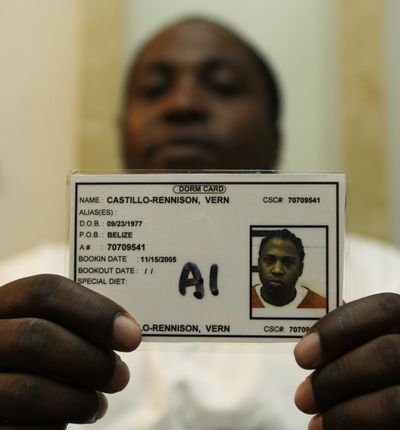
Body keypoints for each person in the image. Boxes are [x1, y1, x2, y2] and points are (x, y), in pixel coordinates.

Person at [1, 17, 400, 430]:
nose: (182, 105)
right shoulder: (18, 295)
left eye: (224, 85)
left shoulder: (388, 280)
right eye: (155, 90)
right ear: (122, 134)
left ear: (276, 137)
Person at [252, 229, 326, 309]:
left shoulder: (323, 307)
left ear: (300, 269)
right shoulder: (241, 301)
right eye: (269, 260)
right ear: (258, 264)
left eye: (288, 262)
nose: (277, 270)